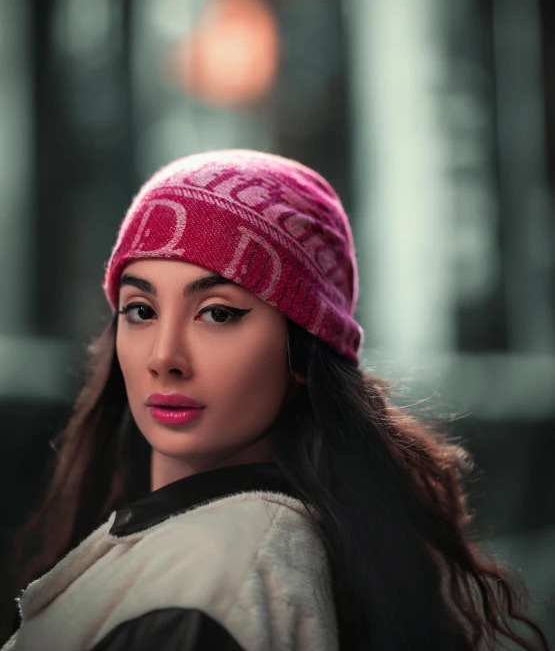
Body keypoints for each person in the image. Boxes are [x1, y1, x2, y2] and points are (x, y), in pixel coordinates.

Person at [1, 149, 550, 651]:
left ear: (303, 351)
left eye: (217, 312)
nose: (163, 356)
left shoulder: (201, 586)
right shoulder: (293, 547)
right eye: (140, 310)